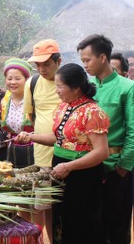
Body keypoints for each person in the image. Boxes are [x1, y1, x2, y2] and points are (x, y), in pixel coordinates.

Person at [16, 63, 110, 244]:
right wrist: (31, 137)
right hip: (60, 171)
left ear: (76, 88)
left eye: (60, 87)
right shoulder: (63, 107)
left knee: (81, 222)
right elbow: (58, 138)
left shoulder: (91, 112)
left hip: (83, 176)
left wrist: (69, 166)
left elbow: (101, 151)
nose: (56, 91)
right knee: (61, 219)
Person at [77, 34, 134, 244]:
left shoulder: (127, 88)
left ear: (103, 58)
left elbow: (133, 130)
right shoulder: (86, 87)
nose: (84, 65)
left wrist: (124, 167)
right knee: (92, 224)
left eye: (87, 60)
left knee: (116, 225)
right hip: (88, 167)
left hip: (115, 168)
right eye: (82, 60)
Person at [23, 39, 61, 243]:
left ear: (59, 61)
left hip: (69, 155)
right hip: (42, 156)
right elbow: (31, 116)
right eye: (38, 65)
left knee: (66, 205)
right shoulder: (33, 82)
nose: (42, 69)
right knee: (43, 204)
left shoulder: (71, 81)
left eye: (46, 64)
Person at [0, 58, 34, 168]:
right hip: (12, 149)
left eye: (18, 78)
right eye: (9, 78)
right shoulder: (5, 100)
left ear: (26, 79)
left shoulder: (34, 99)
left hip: (34, 149)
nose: (13, 82)